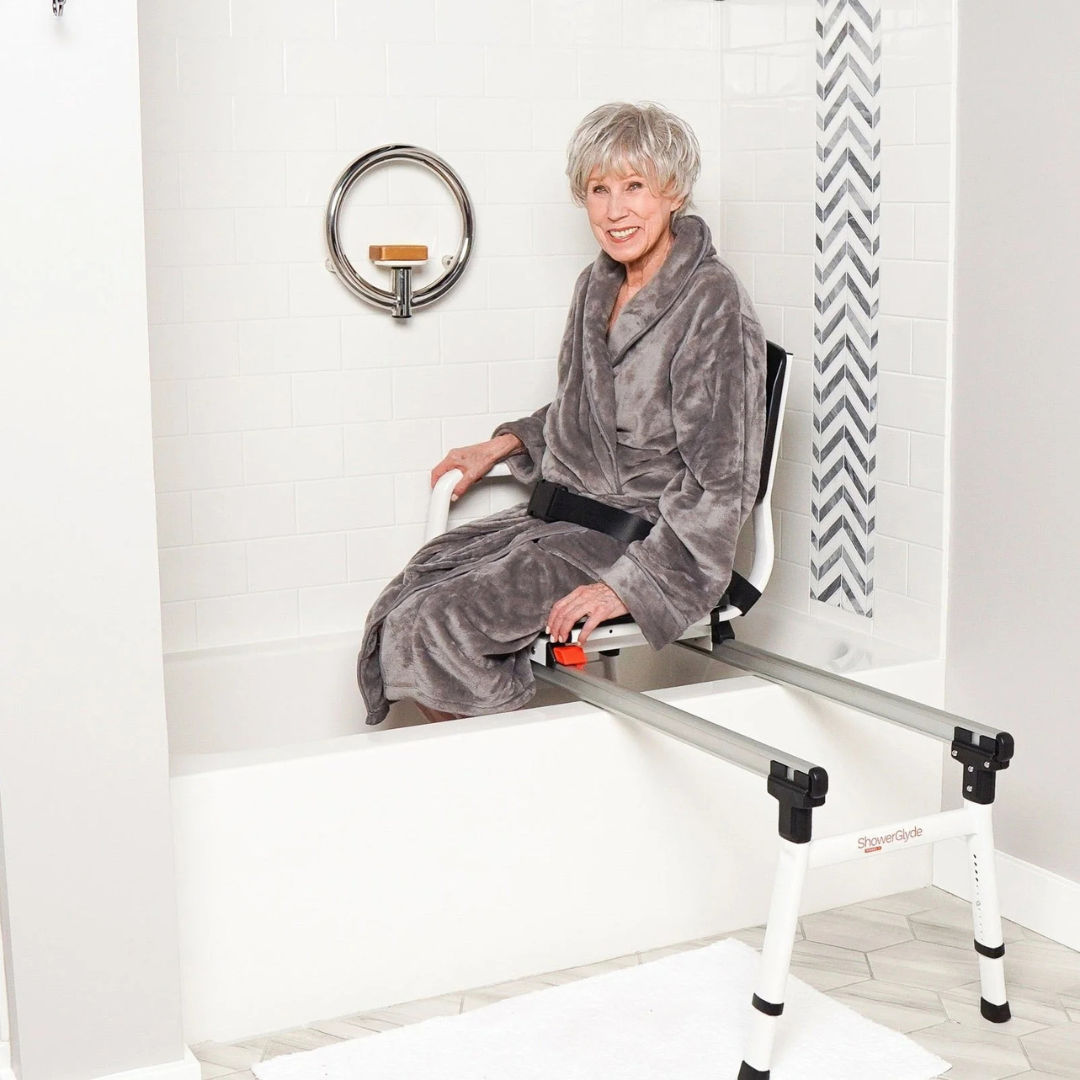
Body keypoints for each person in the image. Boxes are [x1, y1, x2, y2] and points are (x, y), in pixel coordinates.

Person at [357, 101, 766, 726]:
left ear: (674, 192)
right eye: (600, 190)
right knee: (407, 600)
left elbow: (722, 480)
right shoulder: (597, 285)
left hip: (635, 536)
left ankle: (502, 776)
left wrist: (633, 584)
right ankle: (484, 767)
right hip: (563, 518)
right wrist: (503, 445)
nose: (615, 210)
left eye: (635, 186)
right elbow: (590, 407)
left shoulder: (712, 302)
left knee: (440, 625)